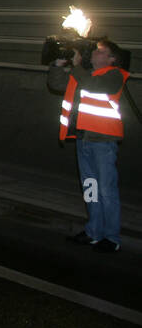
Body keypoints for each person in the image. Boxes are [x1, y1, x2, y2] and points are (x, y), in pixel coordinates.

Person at [49, 38, 130, 253]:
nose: (94, 53)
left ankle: (111, 237)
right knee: (91, 189)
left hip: (102, 142)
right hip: (83, 141)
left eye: (100, 51)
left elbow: (94, 87)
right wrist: (58, 65)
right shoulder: (83, 75)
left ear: (112, 59)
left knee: (106, 190)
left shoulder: (114, 75)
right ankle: (93, 231)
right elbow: (57, 84)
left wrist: (76, 66)